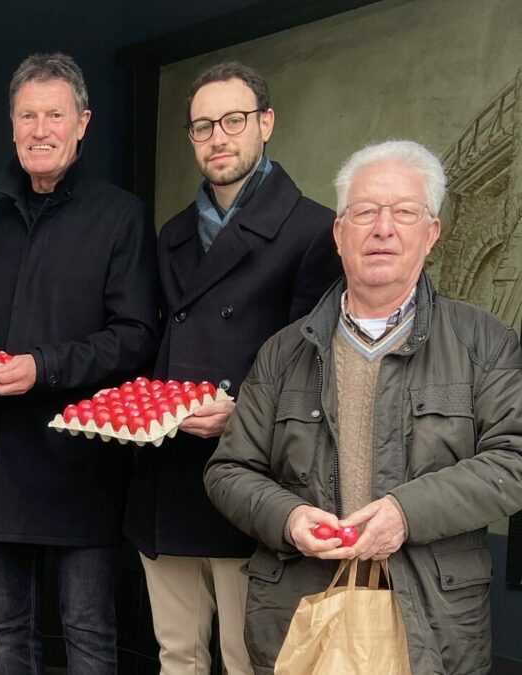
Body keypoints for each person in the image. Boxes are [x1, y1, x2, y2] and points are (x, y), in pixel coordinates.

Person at [204, 139, 522, 674]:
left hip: (434, 620)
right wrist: (288, 517)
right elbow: (228, 470)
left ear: (432, 232)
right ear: (339, 233)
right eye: (365, 212)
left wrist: (405, 512)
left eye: (404, 212)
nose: (383, 228)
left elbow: (514, 459)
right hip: (301, 610)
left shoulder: (485, 343)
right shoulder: (285, 351)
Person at [0, 52, 159, 673]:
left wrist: (42, 366)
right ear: (12, 125)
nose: (40, 129)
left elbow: (135, 336)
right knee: (10, 632)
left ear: (83, 123)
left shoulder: (121, 215)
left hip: (81, 460)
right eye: (28, 115)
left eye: (55, 114)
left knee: (86, 635)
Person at [123, 62, 342, 674]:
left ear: (265, 123)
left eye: (233, 120)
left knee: (249, 660)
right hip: (168, 472)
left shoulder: (312, 230)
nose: (217, 137)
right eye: (201, 127)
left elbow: (317, 366)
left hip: (251, 480)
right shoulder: (172, 235)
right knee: (178, 656)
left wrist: (242, 411)